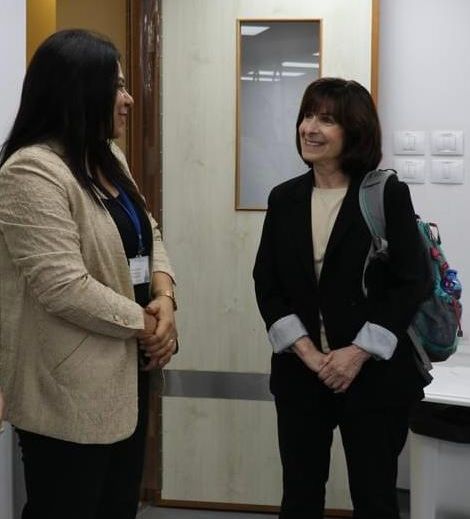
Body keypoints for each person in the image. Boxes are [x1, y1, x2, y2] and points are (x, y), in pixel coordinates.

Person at [0, 29, 177, 519]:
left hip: (127, 370)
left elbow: (149, 231)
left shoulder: (107, 155)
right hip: (67, 388)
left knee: (118, 506)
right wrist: (148, 325)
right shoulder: (30, 172)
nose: (128, 99)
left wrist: (165, 297)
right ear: (77, 92)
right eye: (116, 86)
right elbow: (63, 287)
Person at [253, 77, 431, 519]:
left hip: (373, 378)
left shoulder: (384, 194)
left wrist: (356, 353)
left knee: (374, 499)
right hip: (301, 373)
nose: (309, 128)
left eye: (326, 119)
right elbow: (267, 283)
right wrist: (309, 353)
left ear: (354, 131)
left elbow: (412, 282)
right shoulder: (284, 198)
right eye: (307, 116)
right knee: (300, 497)